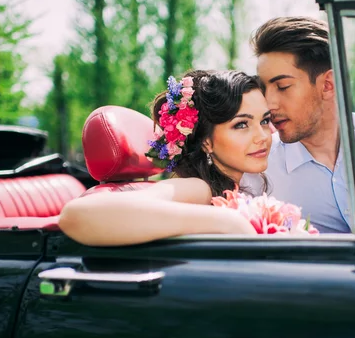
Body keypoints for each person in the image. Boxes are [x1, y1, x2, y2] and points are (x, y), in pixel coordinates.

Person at [244, 16, 355, 233]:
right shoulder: (257, 164)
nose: (269, 103)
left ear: (328, 84)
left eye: (282, 87)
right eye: (264, 88)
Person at [58, 70, 273, 246]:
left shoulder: (237, 186)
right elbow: (75, 215)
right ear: (206, 141)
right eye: (241, 124)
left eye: (264, 121)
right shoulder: (198, 188)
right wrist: (229, 222)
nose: (263, 136)